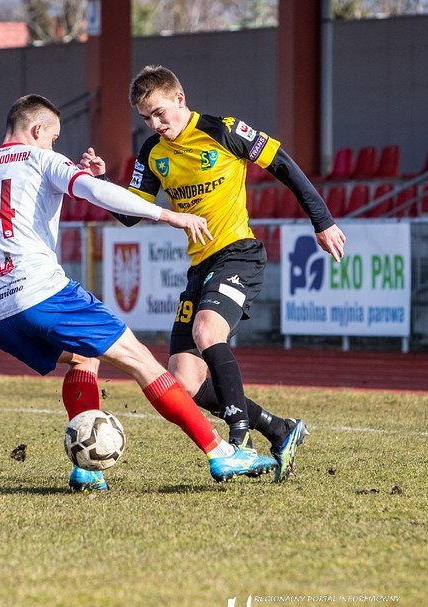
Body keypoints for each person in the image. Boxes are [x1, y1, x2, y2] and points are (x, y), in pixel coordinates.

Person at [0, 94, 277, 491]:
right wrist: (166, 214)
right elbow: (96, 193)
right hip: (40, 292)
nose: (54, 145)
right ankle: (221, 453)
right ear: (37, 130)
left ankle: (87, 471)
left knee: (83, 358)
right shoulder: (42, 159)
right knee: (142, 361)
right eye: (54, 138)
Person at [105, 65, 347, 482]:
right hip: (199, 267)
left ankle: (239, 439)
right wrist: (100, 182)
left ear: (180, 99)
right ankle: (279, 429)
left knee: (206, 331)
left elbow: (283, 164)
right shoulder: (151, 152)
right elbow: (130, 214)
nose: (155, 124)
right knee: (184, 380)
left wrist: (321, 221)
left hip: (238, 254)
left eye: (160, 113)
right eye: (146, 118)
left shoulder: (224, 131)